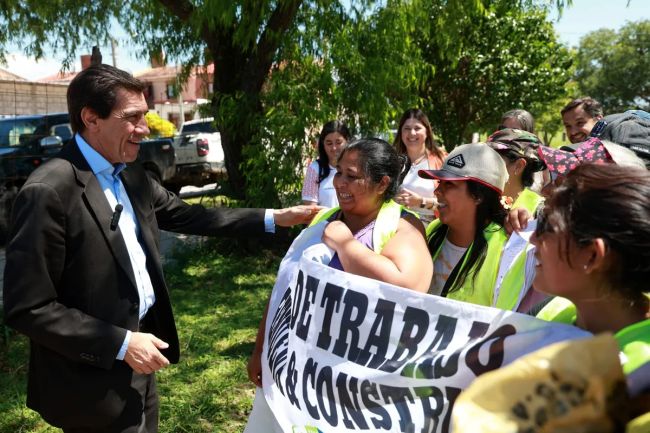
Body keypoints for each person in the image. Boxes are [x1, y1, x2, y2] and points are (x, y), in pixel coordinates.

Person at [2, 64, 319, 433]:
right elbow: (29, 307)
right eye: (132, 117)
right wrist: (121, 344)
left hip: (141, 359)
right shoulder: (49, 191)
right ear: (91, 119)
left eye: (145, 115)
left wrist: (275, 218)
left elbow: (190, 216)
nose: (145, 128)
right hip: (89, 380)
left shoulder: (130, 172)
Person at [245, 138, 432, 432]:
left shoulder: (402, 227)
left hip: (355, 385)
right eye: (339, 172)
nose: (340, 182)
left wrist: (345, 245)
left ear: (382, 184)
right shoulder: (324, 219)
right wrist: (261, 349)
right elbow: (285, 288)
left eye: (352, 176)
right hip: (298, 370)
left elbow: (409, 288)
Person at [531, 164, 650, 425]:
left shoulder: (641, 380)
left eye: (546, 227)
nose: (532, 240)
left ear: (593, 255)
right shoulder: (553, 311)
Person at [419, 142, 521, 309]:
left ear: (478, 195)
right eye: (439, 182)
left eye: (449, 184)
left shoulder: (506, 250)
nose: (437, 191)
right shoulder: (434, 229)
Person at [393, 108, 446, 225]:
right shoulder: (392, 161)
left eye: (417, 128)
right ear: (401, 132)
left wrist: (421, 201)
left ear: (427, 132)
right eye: (407, 128)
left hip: (429, 228)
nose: (412, 133)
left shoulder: (442, 161)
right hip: (395, 225)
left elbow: (451, 204)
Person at [301, 120, 351, 207]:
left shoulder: (358, 167)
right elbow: (310, 209)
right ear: (323, 145)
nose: (334, 148)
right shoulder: (315, 169)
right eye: (329, 143)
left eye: (338, 142)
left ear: (347, 141)